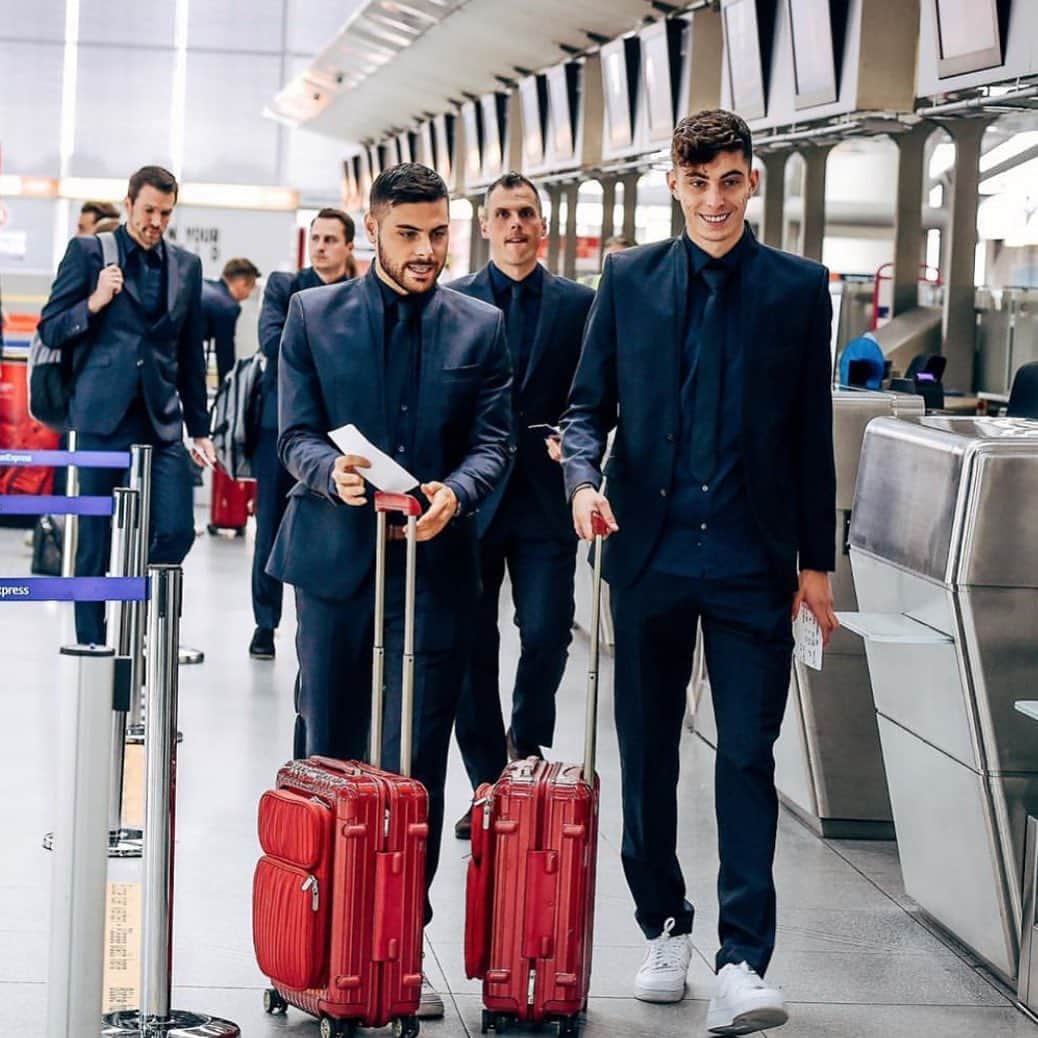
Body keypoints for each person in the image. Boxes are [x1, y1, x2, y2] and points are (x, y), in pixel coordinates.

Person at [560, 109, 838, 1035]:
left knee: (749, 758)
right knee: (647, 753)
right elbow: (584, 410)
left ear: (752, 181)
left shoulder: (799, 291)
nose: (714, 199)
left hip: (754, 562)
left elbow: (810, 437)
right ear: (672, 183)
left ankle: (743, 959)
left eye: (730, 180)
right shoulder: (629, 277)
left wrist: (817, 566)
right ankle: (664, 927)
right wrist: (582, 485)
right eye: (697, 181)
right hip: (649, 553)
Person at [266, 163, 511, 1016]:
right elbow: (291, 430)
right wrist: (327, 470)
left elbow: (493, 443)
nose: (428, 251)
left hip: (435, 572)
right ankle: (319, 944)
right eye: (410, 234)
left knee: (415, 767)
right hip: (335, 566)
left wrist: (459, 492)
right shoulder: (312, 315)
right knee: (325, 749)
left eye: (440, 234)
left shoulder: (480, 326)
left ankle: (396, 946)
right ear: (374, 230)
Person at [448, 172, 593, 839]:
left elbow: (597, 395)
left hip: (543, 498)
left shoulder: (579, 305)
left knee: (546, 630)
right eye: (502, 214)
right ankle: (485, 782)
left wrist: (583, 445)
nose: (514, 225)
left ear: (543, 226)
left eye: (525, 214)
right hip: (473, 501)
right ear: (484, 226)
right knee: (470, 641)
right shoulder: (454, 302)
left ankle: (526, 749)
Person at [39, 165, 215, 645]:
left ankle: (141, 622)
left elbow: (189, 353)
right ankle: (92, 637)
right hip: (100, 414)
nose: (156, 221)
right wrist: (94, 302)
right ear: (129, 204)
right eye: (148, 210)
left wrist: (199, 428)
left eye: (165, 213)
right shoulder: (88, 252)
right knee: (94, 535)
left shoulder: (186, 266)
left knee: (176, 528)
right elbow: (51, 327)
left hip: (160, 420)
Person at [249, 208, 356, 660]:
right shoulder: (284, 287)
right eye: (317, 237)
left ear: (349, 245)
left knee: (335, 526)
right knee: (271, 527)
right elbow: (274, 344)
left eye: (332, 239)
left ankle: (320, 627)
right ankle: (265, 623)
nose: (321, 246)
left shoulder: (359, 295)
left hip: (341, 435)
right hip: (282, 427)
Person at [201, 257, 261, 382]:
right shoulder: (227, 306)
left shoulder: (205, 286)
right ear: (241, 283)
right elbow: (224, 354)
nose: (248, 295)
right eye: (250, 287)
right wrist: (228, 387)